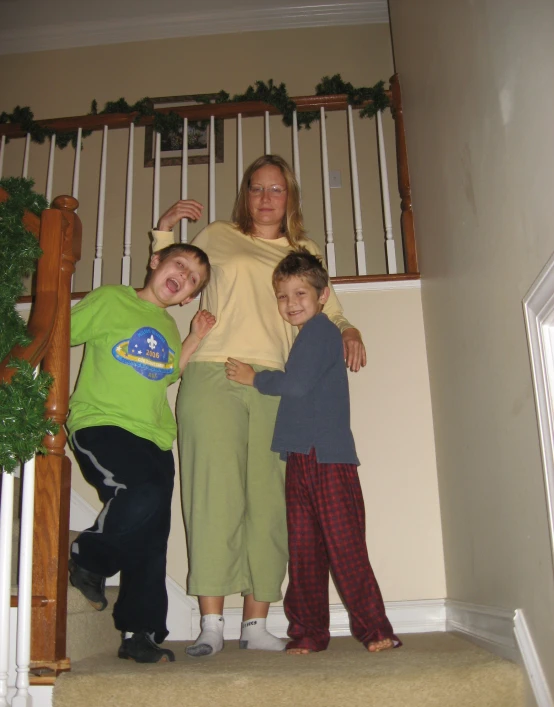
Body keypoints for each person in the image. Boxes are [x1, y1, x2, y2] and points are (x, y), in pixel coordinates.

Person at [152, 154, 366, 657]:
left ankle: (256, 622)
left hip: (276, 381)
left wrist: (351, 329)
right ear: (245, 195)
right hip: (212, 372)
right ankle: (209, 623)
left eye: (276, 189)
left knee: (270, 504)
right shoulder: (217, 235)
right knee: (212, 496)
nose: (266, 197)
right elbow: (173, 279)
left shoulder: (303, 249)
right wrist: (163, 233)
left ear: (289, 196)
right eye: (256, 188)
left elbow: (329, 309)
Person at [225, 250, 401, 654]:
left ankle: (375, 629)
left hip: (329, 456)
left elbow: (297, 385)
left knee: (345, 546)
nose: (291, 303)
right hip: (301, 456)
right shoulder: (307, 336)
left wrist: (255, 378)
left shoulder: (321, 330)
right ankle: (307, 633)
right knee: (304, 550)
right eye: (283, 296)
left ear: (322, 296)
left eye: (300, 293)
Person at [67, 243, 215, 663]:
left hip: (155, 437)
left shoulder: (168, 325)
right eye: (179, 265)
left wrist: (193, 338)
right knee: (141, 495)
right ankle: (87, 557)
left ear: (188, 297)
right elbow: (62, 332)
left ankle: (140, 631)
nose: (183, 276)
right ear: (156, 262)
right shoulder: (112, 298)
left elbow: (167, 373)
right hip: (101, 423)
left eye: (192, 280)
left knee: (151, 537)